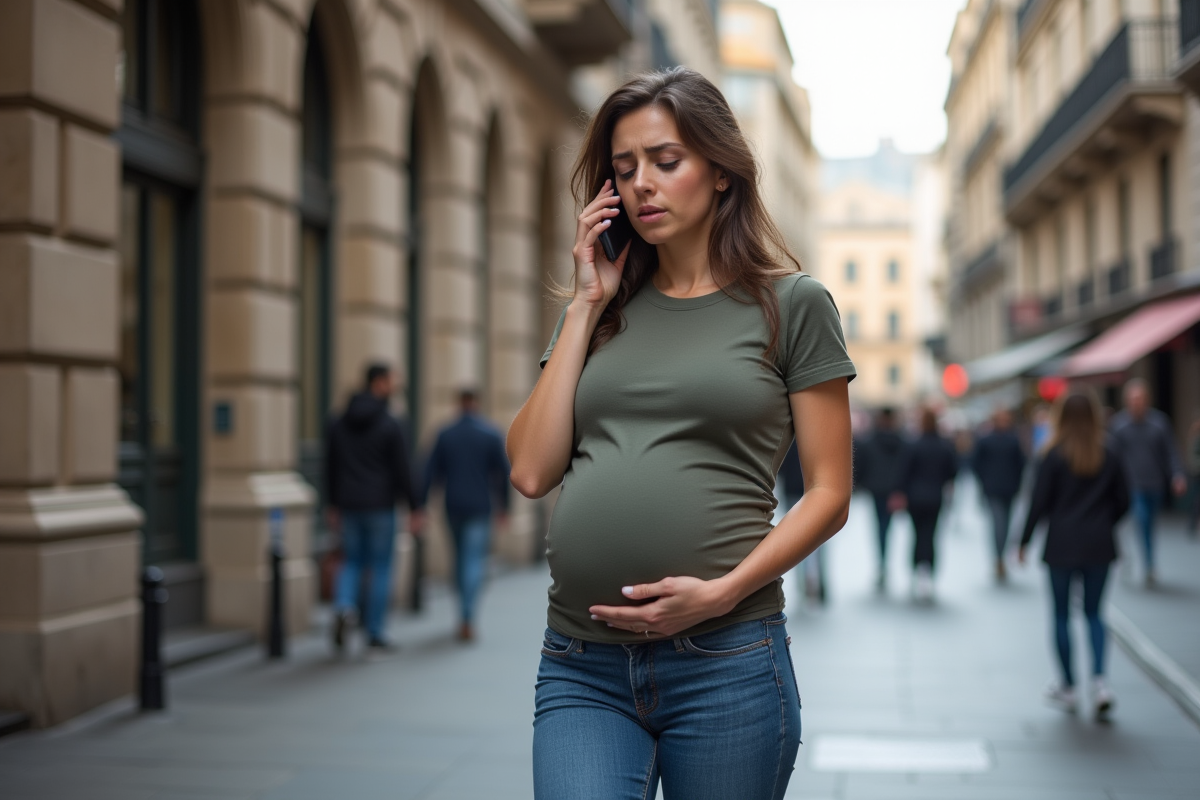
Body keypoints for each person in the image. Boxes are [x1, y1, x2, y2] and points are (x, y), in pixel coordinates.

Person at [507, 68, 856, 800]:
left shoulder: (792, 305)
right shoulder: (600, 312)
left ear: (721, 172)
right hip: (581, 661)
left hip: (726, 659)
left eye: (666, 162)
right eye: (625, 169)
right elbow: (532, 472)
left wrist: (723, 593)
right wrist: (581, 306)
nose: (641, 186)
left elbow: (829, 493)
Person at [1018, 388, 1130, 720]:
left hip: (1062, 545)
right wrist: (1104, 522)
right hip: (1099, 545)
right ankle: (1100, 683)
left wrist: (1022, 541)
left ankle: (1067, 685)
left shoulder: (1052, 454)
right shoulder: (1108, 452)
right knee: (1095, 613)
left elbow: (1038, 502)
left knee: (1061, 615)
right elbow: (1124, 501)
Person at [325, 364, 424, 653]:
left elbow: (330, 465)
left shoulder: (339, 421)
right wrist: (415, 506)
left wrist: (331, 504)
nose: (395, 385)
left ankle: (344, 606)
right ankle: (375, 633)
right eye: (392, 380)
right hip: (380, 505)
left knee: (352, 561)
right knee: (380, 567)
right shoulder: (391, 422)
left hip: (348, 504)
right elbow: (403, 469)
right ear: (379, 383)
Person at [423, 389, 512, 642]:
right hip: (480, 507)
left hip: (453, 505)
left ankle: (463, 614)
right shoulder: (490, 433)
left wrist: (421, 504)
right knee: (473, 560)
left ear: (459, 403)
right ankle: (467, 616)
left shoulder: (445, 433)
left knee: (460, 558)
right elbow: (504, 473)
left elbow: (430, 472)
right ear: (477, 403)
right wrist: (504, 507)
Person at [1109, 378, 1188, 586]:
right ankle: (1149, 564)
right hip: (1131, 485)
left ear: (1147, 400)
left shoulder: (1159, 423)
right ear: (1127, 400)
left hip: (1155, 483)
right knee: (1141, 520)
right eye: (1133, 399)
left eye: (1140, 398)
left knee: (1149, 523)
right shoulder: (1119, 425)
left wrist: (1177, 474)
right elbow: (1112, 458)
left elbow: (1171, 452)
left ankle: (1144, 559)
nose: (1137, 402)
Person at [897, 407, 958, 603]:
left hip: (915, 498)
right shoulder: (944, 445)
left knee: (916, 535)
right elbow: (953, 471)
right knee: (931, 535)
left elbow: (904, 472)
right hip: (935, 497)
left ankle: (915, 571)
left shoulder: (913, 445)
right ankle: (929, 573)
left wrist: (901, 492)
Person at [971, 408, 1027, 583]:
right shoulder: (986, 440)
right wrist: (985, 480)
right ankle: (999, 558)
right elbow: (976, 463)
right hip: (993, 489)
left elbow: (1021, 464)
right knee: (998, 524)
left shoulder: (1013, 440)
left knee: (1006, 524)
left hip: (1008, 489)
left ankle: (1000, 556)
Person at [857, 407, 909, 592]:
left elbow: (861, 465)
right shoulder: (902, 441)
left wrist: (861, 484)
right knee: (887, 526)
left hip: (876, 489)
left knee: (879, 527)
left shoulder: (870, 441)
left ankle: (882, 563)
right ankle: (885, 562)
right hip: (893, 490)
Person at [777, 439, 824, 604]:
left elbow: (780, 469)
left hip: (793, 493)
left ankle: (804, 582)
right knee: (817, 541)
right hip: (814, 492)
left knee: (797, 540)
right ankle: (818, 582)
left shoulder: (787, 441)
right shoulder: (816, 439)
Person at [1188, 412, 1200, 536]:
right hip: (1197, 474)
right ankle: (1192, 524)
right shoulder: (1196, 439)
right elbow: (1193, 457)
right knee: (1196, 500)